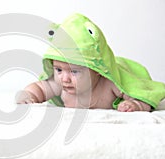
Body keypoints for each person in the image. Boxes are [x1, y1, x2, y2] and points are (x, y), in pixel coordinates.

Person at [16, 13, 165, 112]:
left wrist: (136, 104)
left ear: (96, 70)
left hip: (120, 68)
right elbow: (40, 88)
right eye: (59, 70)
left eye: (74, 71)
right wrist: (29, 95)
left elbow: (141, 93)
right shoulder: (60, 85)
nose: (64, 78)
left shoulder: (109, 84)